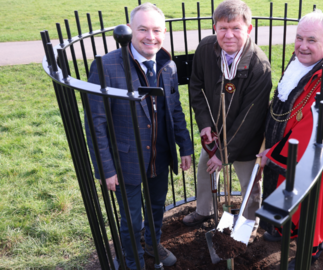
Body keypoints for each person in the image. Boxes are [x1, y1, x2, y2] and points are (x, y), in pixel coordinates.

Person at [85, 3, 193, 269]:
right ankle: (131, 262)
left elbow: (175, 109)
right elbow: (95, 123)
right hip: (126, 161)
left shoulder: (167, 64)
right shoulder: (106, 67)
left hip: (160, 154)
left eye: (156, 30)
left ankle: (152, 244)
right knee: (131, 219)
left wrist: (186, 147)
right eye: (143, 29)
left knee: (157, 209)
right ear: (130, 30)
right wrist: (106, 169)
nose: (150, 36)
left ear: (164, 33)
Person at [258, 10, 323, 268]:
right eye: (299, 38)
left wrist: (273, 152)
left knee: (311, 206)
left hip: (316, 161)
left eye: (311, 40)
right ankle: (283, 230)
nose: (302, 46)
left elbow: (315, 132)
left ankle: (307, 254)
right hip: (284, 146)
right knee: (286, 193)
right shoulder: (302, 63)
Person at [184, 0, 272, 243]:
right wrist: (204, 125)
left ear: (249, 29)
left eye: (235, 28)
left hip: (246, 139)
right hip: (214, 131)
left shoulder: (259, 66)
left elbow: (249, 119)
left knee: (250, 187)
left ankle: (247, 225)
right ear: (215, 28)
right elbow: (196, 87)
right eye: (223, 28)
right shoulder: (205, 48)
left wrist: (222, 154)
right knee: (205, 172)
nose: (228, 35)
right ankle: (205, 210)